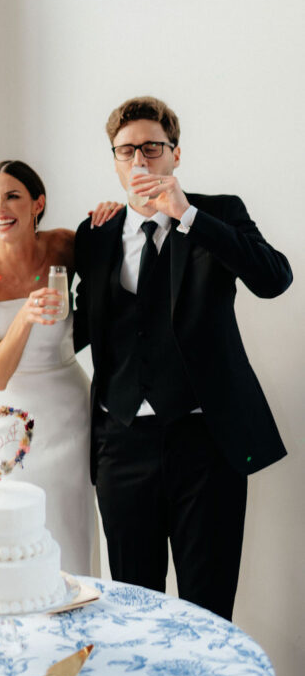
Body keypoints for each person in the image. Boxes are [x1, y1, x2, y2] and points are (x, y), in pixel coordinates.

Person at [73, 96, 292, 620]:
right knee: (133, 609)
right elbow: (79, 328)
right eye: (126, 150)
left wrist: (188, 215)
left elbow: (274, 279)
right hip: (122, 444)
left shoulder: (220, 213)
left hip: (206, 443)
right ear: (114, 160)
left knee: (208, 609)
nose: (140, 160)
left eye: (152, 147)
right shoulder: (95, 234)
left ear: (176, 153)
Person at [0, 159, 122, 574]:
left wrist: (112, 217)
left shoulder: (64, 246)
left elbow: (118, 263)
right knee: (17, 533)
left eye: (12, 196)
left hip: (70, 410)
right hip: (8, 419)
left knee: (72, 524)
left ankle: (76, 608)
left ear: (37, 204)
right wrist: (25, 317)